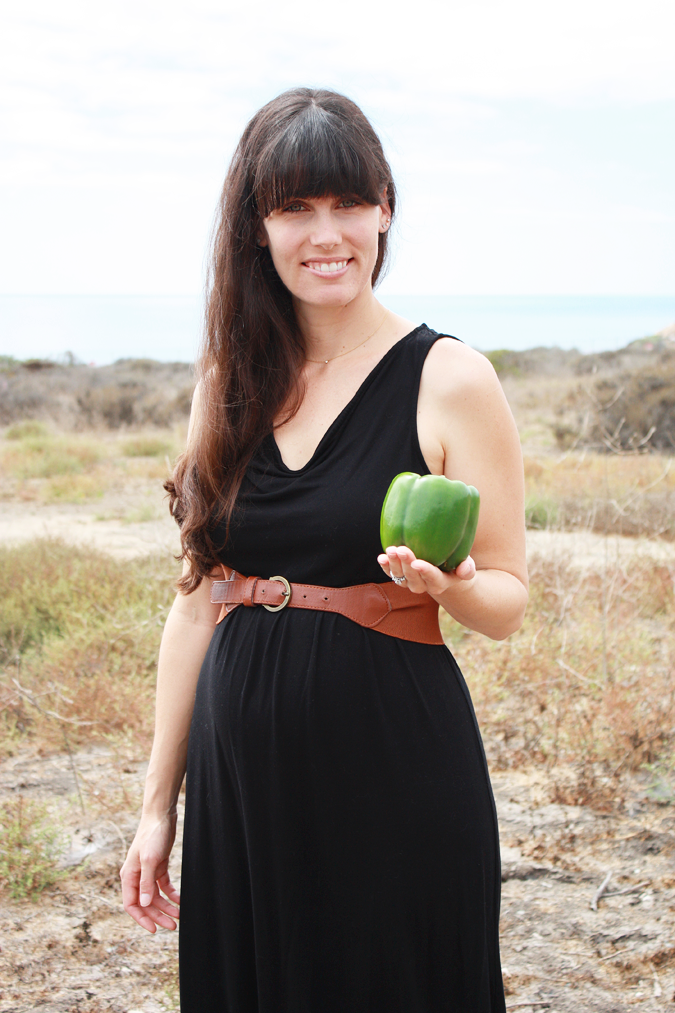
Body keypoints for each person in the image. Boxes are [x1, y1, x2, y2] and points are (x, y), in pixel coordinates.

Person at [120, 87, 528, 1013]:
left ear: (384, 209)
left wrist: (448, 586)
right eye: (295, 207)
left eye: (348, 202)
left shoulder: (450, 378)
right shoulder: (226, 382)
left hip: (394, 769)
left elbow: (507, 598)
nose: (326, 233)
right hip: (240, 785)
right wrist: (156, 807)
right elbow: (195, 604)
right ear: (256, 226)